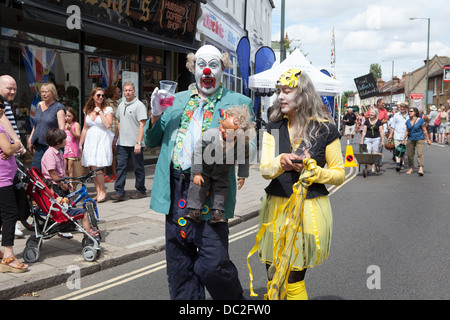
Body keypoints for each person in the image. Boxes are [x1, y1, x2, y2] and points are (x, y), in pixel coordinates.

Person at [144, 44, 254, 300]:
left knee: (213, 263)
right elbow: (152, 140)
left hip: (213, 188)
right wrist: (154, 114)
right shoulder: (174, 99)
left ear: (222, 69)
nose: (207, 70)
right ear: (193, 68)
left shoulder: (239, 102)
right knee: (180, 264)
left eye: (213, 65)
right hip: (177, 187)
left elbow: (250, 144)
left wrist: (235, 146)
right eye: (201, 64)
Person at [256, 68, 344, 299]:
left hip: (308, 210)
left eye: (286, 91)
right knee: (274, 276)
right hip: (276, 208)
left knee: (294, 279)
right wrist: (281, 162)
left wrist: (314, 171)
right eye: (278, 92)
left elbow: (338, 174)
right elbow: (265, 169)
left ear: (303, 94)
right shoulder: (273, 128)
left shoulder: (325, 129)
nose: (280, 97)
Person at [185, 105, 254, 224]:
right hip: (205, 169)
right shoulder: (210, 134)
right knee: (197, 187)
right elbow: (197, 151)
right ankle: (194, 210)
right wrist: (197, 172)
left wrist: (242, 175)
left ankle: (217, 213)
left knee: (221, 190)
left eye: (226, 130)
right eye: (222, 126)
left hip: (222, 171)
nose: (221, 129)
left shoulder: (242, 144)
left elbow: (244, 158)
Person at [0, 105, 28, 273]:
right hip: (2, 180)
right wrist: (16, 144)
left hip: (4, 178)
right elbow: (8, 149)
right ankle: (8, 256)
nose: (2, 110)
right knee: (10, 214)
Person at [110, 82, 147, 201]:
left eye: (130, 90)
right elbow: (120, 123)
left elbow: (142, 125)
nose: (127, 92)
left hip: (135, 143)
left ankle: (141, 190)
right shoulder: (121, 105)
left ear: (134, 91)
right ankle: (119, 192)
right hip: (122, 143)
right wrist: (116, 137)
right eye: (125, 90)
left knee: (138, 168)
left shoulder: (139, 105)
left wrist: (139, 143)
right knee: (121, 168)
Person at [0, 75, 26, 238]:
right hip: (7, 152)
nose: (13, 91)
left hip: (9, 151)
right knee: (10, 192)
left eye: (15, 88)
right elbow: (3, 122)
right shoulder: (1, 105)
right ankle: (9, 224)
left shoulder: (5, 104)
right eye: (9, 88)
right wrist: (17, 143)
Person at [79, 88, 113, 203]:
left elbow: (108, 125)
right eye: (98, 95)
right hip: (90, 139)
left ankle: (103, 191)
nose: (101, 97)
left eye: (103, 96)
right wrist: (80, 143)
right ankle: (98, 191)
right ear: (93, 96)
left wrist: (100, 112)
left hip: (102, 139)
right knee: (92, 167)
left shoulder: (107, 109)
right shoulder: (87, 110)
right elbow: (85, 128)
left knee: (98, 167)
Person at [28, 82, 66, 170]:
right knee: (35, 169)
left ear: (53, 92)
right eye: (42, 92)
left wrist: (58, 144)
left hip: (52, 144)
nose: (44, 94)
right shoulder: (39, 105)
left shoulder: (58, 107)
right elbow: (36, 124)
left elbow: (61, 129)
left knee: (51, 170)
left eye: (46, 91)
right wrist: (30, 138)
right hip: (39, 143)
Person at [41, 128, 72, 197]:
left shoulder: (58, 153)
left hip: (60, 182)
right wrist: (61, 185)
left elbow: (61, 171)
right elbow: (52, 173)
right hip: (55, 185)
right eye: (64, 139)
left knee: (69, 203)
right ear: (58, 142)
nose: (66, 141)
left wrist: (66, 182)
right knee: (62, 204)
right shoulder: (50, 154)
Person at [402, 107, 431, 176]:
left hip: (419, 138)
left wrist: (428, 139)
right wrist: (403, 139)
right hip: (410, 139)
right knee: (410, 155)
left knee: (419, 153)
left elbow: (424, 130)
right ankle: (411, 168)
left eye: (411, 111)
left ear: (415, 112)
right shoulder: (408, 121)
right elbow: (407, 131)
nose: (410, 112)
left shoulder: (420, 121)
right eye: (409, 111)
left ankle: (420, 168)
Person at [104, 85, 121, 181]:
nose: (120, 93)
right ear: (114, 93)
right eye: (118, 91)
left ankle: (114, 173)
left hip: (116, 132)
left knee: (114, 152)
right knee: (106, 152)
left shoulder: (117, 104)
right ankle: (105, 173)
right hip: (108, 131)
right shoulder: (107, 103)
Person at [360, 107, 384, 174]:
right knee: (368, 153)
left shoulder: (379, 121)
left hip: (376, 139)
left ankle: (373, 168)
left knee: (374, 154)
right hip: (367, 138)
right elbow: (364, 131)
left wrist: (382, 141)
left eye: (372, 113)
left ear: (376, 114)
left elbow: (381, 131)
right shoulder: (367, 121)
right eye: (370, 112)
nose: (371, 114)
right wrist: (362, 140)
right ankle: (367, 168)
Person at [388, 101, 409, 171]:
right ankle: (398, 164)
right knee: (397, 149)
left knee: (403, 150)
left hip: (406, 136)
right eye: (401, 107)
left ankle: (402, 162)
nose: (402, 108)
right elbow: (393, 126)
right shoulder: (396, 115)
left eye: (403, 107)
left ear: (406, 108)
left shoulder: (409, 116)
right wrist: (390, 135)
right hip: (397, 135)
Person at [64, 107, 81, 187]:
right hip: (64, 150)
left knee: (70, 169)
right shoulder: (63, 125)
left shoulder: (76, 124)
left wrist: (70, 130)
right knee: (63, 168)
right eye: (66, 116)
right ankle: (66, 182)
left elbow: (78, 136)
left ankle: (71, 185)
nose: (67, 118)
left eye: (69, 116)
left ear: (73, 116)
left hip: (72, 150)